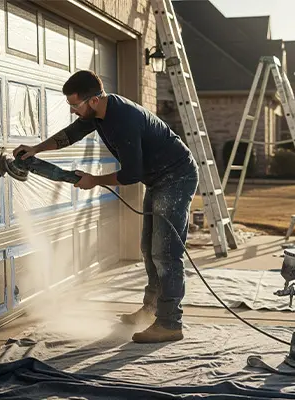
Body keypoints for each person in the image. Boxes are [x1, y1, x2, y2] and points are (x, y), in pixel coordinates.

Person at [13, 70, 198, 344]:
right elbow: (71, 134)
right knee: (148, 247)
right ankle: (151, 309)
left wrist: (94, 180)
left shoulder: (123, 120)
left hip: (177, 177)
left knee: (165, 252)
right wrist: (36, 150)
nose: (73, 111)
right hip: (157, 179)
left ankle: (170, 323)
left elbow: (131, 174)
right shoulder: (98, 113)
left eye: (75, 105)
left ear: (94, 100)